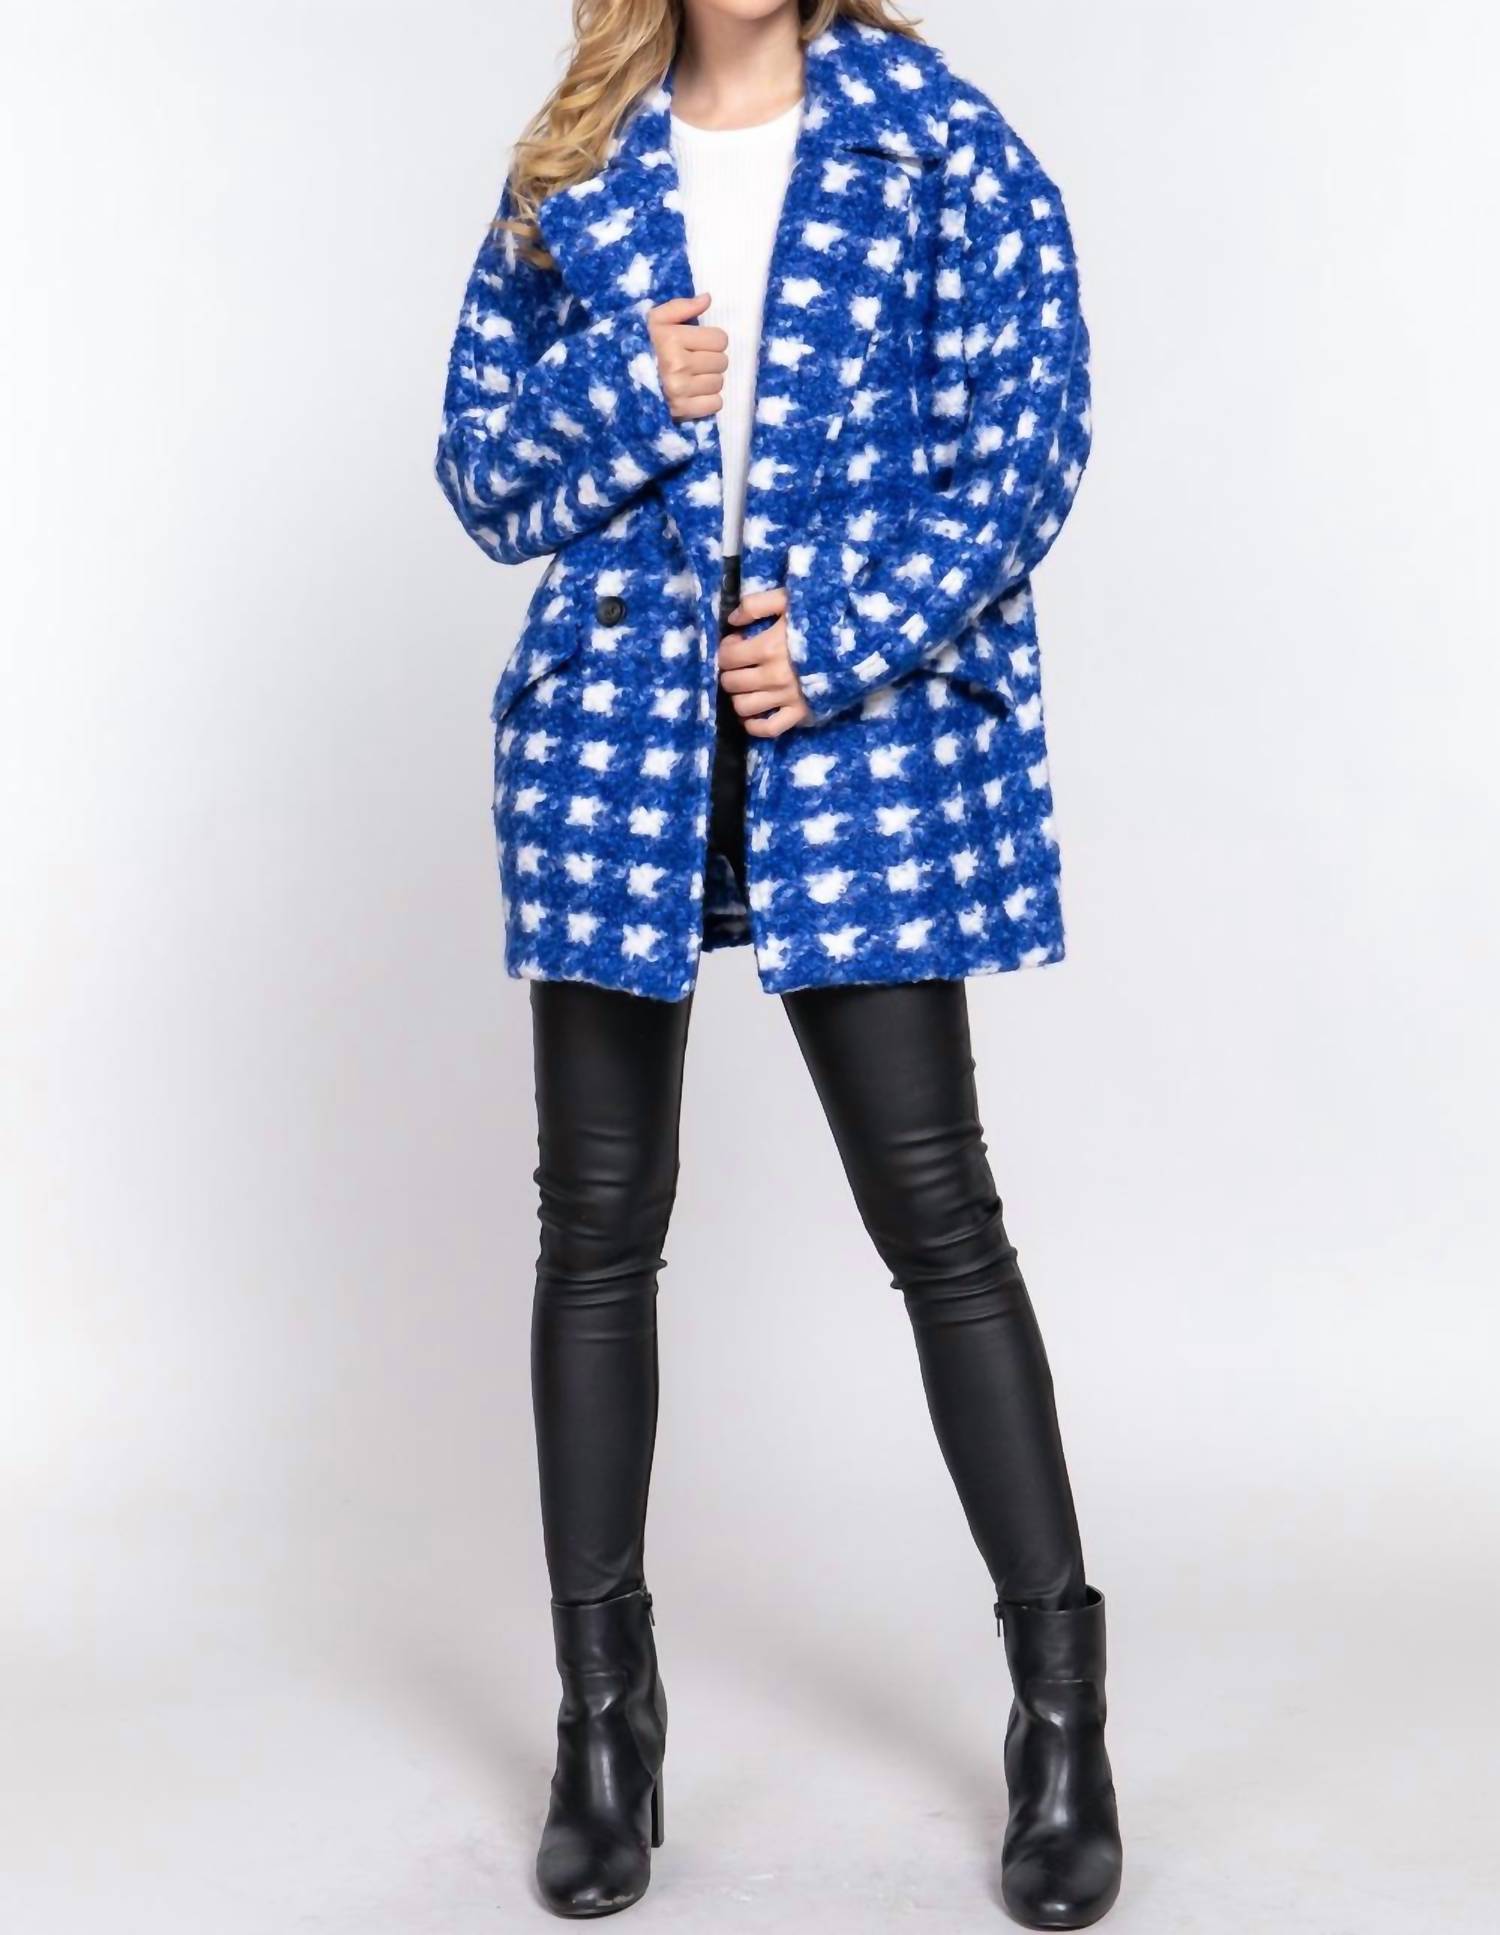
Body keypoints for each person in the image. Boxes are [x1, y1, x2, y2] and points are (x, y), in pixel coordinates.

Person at [434, 1, 1121, 1924]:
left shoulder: (942, 141)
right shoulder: (574, 164)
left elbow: (1031, 444)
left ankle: (1063, 1724)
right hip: (615, 739)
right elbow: (481, 476)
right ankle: (603, 1728)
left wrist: (842, 634)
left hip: (856, 744)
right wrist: (624, 389)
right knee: (595, 1229)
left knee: (938, 1219)